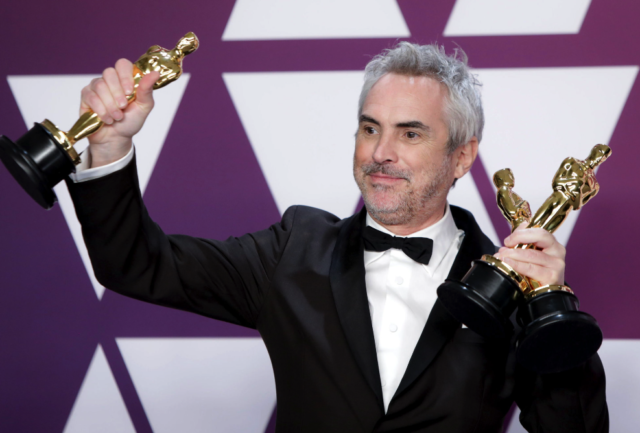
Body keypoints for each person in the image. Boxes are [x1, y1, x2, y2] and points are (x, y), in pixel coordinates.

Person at [66, 42, 608, 432]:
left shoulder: (509, 284)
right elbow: (134, 264)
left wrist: (552, 312)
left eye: (410, 133)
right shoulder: (293, 248)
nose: (380, 153)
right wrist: (109, 146)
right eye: (370, 128)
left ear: (462, 156)